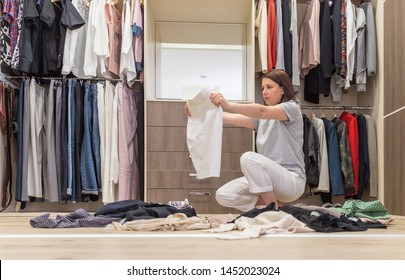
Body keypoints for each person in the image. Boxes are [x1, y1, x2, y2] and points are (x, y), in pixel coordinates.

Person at [184, 69, 306, 211]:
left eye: (269, 87)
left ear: (283, 89)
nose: (264, 92)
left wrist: (228, 104)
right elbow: (225, 118)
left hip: (291, 181)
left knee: (248, 158)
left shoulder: (291, 108)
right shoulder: (262, 121)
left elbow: (262, 111)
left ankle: (272, 211)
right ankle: (276, 205)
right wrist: (197, 112)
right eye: (262, 88)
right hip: (268, 180)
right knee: (223, 195)